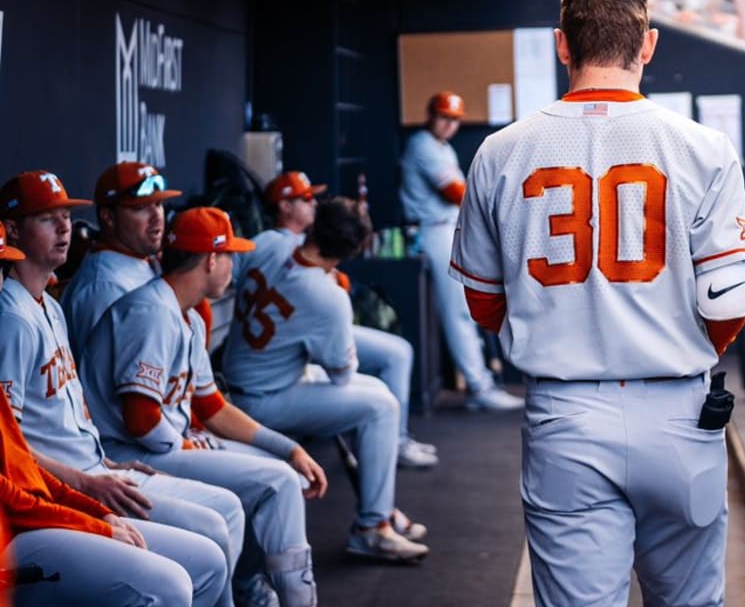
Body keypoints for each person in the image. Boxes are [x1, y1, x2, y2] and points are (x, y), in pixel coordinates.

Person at [450, 0, 745, 606]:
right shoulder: (704, 146)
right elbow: (733, 304)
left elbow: (483, 300)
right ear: (648, 44)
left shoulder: (501, 150)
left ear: (561, 44)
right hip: (679, 407)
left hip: (565, 411)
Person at [0, 171, 247, 605]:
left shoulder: (48, 305)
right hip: (59, 491)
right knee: (188, 564)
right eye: (46, 218)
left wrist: (109, 463)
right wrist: (90, 494)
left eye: (65, 216)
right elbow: (13, 454)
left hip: (92, 470)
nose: (64, 228)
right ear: (14, 230)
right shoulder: (14, 319)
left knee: (212, 543)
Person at [81, 207, 327, 606]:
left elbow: (212, 407)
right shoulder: (151, 312)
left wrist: (289, 447)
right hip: (128, 455)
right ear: (211, 259)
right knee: (277, 483)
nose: (233, 263)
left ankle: (253, 589)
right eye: (229, 254)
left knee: (282, 474)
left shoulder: (188, 314)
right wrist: (191, 444)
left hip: (162, 445)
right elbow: (141, 420)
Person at [222, 198, 430, 562]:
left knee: (379, 396)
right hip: (263, 399)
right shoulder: (328, 296)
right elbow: (342, 374)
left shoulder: (272, 241)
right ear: (351, 251)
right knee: (380, 407)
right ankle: (372, 528)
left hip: (246, 375)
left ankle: (379, 507)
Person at [233, 171, 437, 468]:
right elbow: (340, 373)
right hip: (266, 388)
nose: (313, 203)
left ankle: (386, 445)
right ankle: (376, 505)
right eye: (305, 198)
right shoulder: (290, 256)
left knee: (393, 363)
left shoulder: (266, 243)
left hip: (260, 366)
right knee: (379, 401)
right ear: (284, 207)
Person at [399, 92, 525, 412]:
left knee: (466, 311)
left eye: (454, 119)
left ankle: (480, 383)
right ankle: (479, 387)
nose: (449, 124)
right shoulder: (423, 145)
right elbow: (455, 192)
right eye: (444, 117)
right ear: (430, 115)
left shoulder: (441, 146)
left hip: (448, 227)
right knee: (458, 312)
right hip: (433, 229)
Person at [60, 162, 181, 351]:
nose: (156, 216)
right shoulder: (102, 287)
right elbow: (103, 375)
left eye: (158, 204)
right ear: (108, 217)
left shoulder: (145, 260)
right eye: (141, 208)